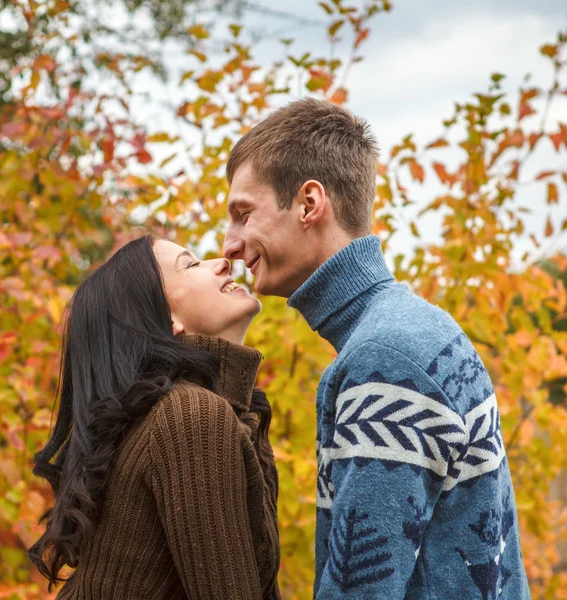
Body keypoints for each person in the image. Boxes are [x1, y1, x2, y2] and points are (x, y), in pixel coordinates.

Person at [223, 98, 530, 600]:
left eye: (243, 214)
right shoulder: (417, 330)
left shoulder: (386, 360)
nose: (230, 244)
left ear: (308, 204)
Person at [28, 234, 280, 599]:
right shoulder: (191, 416)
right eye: (191, 264)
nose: (222, 262)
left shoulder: (198, 414)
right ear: (166, 319)